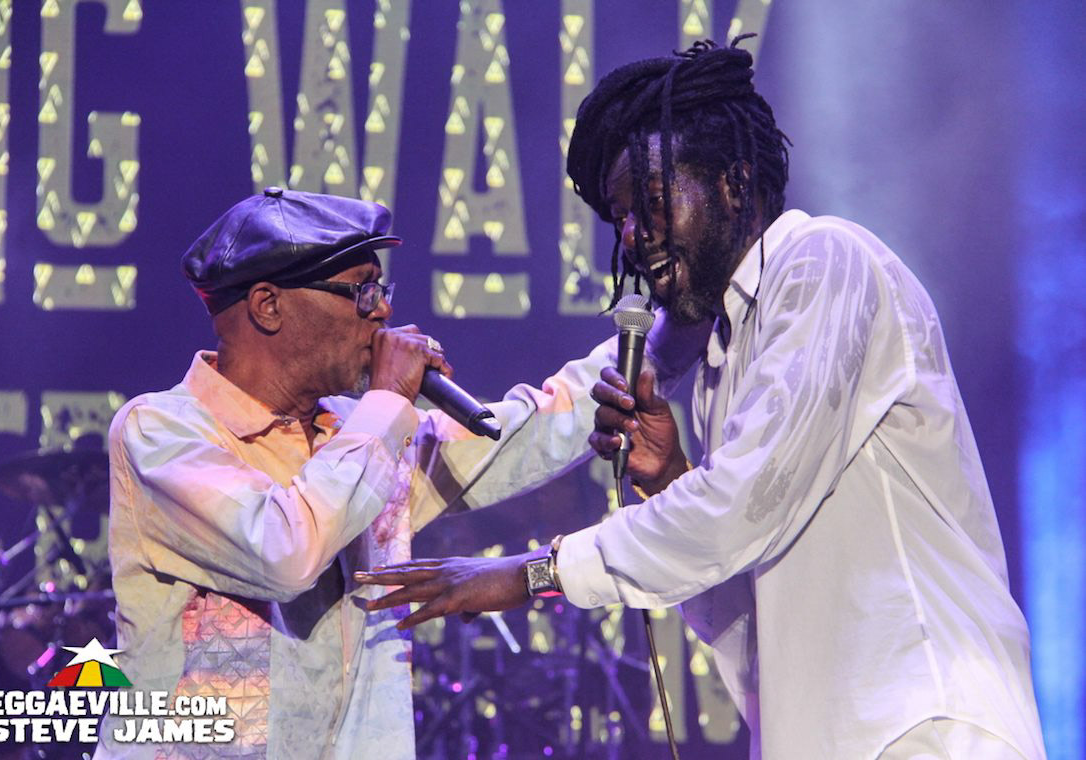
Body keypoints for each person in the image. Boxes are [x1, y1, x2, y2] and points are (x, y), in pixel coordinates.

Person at [355, 39, 1047, 759]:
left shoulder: (825, 264)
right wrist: (670, 479)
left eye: (651, 203)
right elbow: (747, 607)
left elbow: (743, 505)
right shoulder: (719, 354)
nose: (633, 235)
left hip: (924, 724)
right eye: (620, 218)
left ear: (732, 184)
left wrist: (529, 574)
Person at [99, 188, 617, 759]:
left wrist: (663, 341)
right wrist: (389, 398)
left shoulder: (358, 430)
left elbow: (519, 433)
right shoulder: (161, 433)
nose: (383, 311)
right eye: (361, 289)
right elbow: (284, 551)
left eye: (382, 289)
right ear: (268, 305)